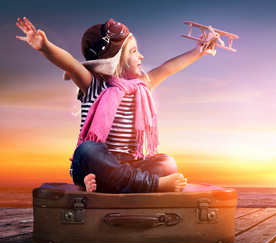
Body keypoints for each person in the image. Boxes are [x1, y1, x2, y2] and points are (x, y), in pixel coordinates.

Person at [16, 17, 211, 193]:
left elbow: (167, 69)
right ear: (116, 59)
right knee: (87, 150)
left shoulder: (142, 86)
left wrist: (199, 51)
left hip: (129, 163)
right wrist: (45, 47)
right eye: (134, 51)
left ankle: (106, 184)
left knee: (167, 162)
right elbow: (70, 64)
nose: (141, 56)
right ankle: (150, 185)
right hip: (95, 162)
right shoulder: (94, 84)